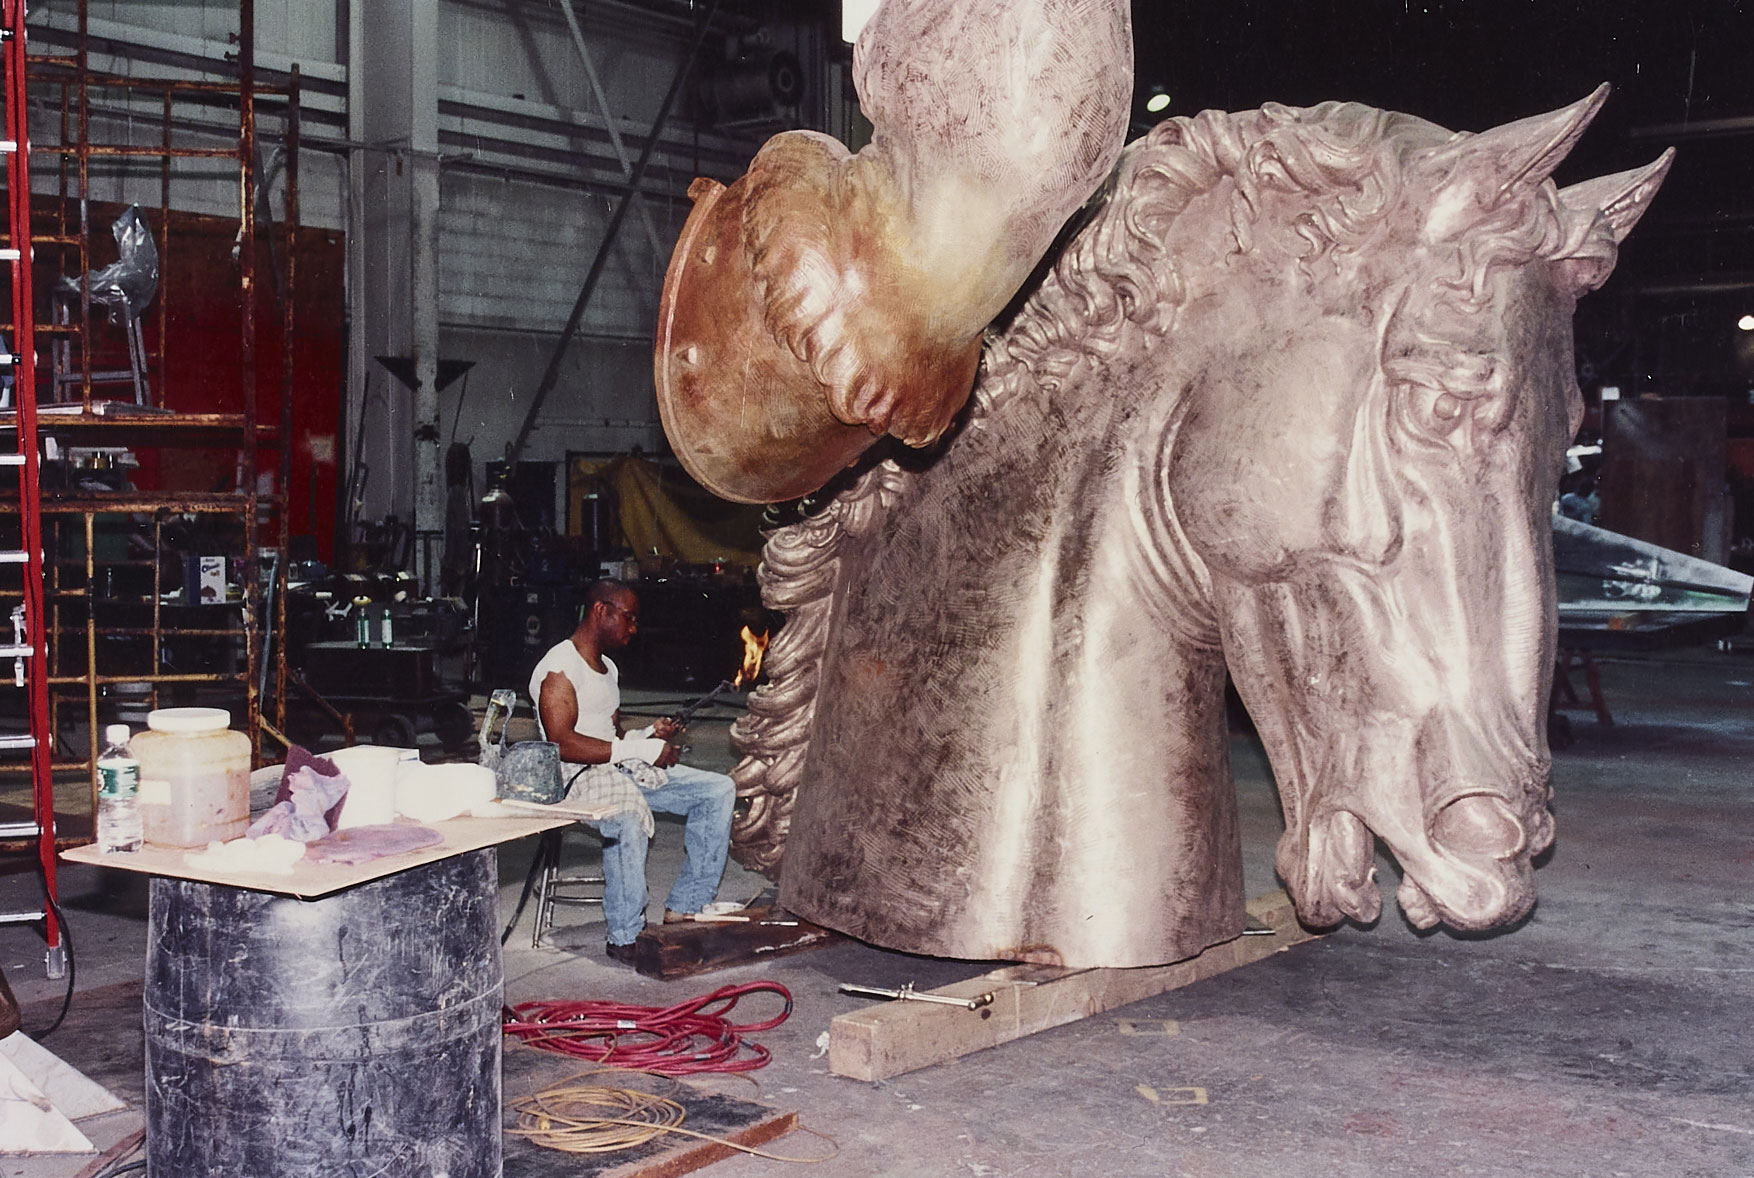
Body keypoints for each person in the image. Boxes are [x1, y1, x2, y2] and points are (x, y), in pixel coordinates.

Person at [528, 579, 735, 964]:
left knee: (717, 790)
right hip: (573, 777)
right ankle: (624, 935)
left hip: (612, 766)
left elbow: (610, 738)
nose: (633, 628)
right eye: (629, 618)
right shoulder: (559, 668)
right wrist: (641, 748)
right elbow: (563, 743)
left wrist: (647, 735)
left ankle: (687, 905)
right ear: (601, 611)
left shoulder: (608, 669)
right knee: (626, 815)